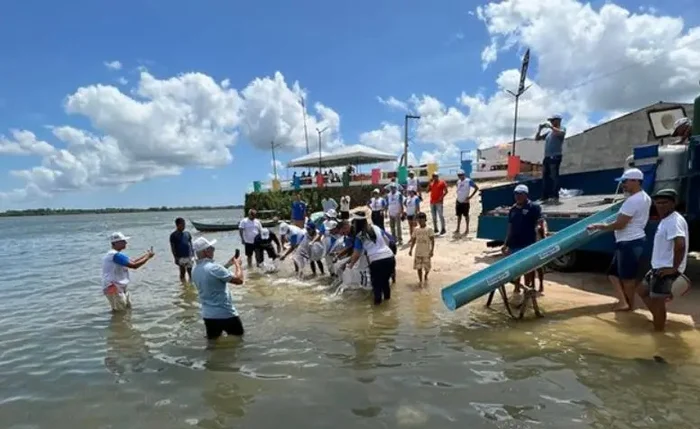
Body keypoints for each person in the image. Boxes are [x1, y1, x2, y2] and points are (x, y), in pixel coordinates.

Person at [587, 168, 651, 311]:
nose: (623, 184)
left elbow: (620, 224)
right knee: (613, 274)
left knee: (628, 278)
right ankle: (624, 302)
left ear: (635, 181)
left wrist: (599, 226)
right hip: (631, 240)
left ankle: (629, 306)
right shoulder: (644, 197)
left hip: (629, 242)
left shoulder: (633, 201)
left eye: (625, 181)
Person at [637, 189, 690, 331]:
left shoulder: (674, 220)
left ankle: (659, 332)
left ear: (673, 203)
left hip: (666, 270)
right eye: (658, 203)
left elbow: (680, 245)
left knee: (658, 301)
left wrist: (673, 268)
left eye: (665, 203)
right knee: (642, 291)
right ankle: (658, 318)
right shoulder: (666, 220)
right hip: (657, 267)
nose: (660, 206)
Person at [191, 237, 245, 341]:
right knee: (239, 340)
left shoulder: (195, 270)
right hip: (226, 314)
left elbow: (213, 274)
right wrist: (238, 265)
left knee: (212, 345)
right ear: (206, 251)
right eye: (212, 248)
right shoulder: (215, 268)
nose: (213, 250)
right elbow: (239, 280)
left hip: (208, 316)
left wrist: (229, 264)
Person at [501, 185, 545, 298]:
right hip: (514, 243)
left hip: (528, 243)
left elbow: (541, 222)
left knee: (528, 269)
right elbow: (510, 228)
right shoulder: (513, 209)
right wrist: (505, 244)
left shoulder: (534, 207)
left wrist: (542, 234)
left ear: (526, 195)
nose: (518, 196)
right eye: (516, 194)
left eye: (520, 194)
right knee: (516, 268)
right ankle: (516, 288)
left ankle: (527, 288)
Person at [347, 211, 396, 305]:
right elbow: (387, 240)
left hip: (376, 261)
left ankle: (378, 315)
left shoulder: (359, 236)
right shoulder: (376, 227)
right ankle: (388, 309)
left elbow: (356, 254)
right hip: (390, 258)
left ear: (356, 223)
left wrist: (350, 265)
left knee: (377, 288)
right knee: (385, 284)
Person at [102, 232, 155, 312]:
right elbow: (134, 266)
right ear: (116, 243)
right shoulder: (115, 255)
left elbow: (133, 261)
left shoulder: (117, 254)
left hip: (119, 286)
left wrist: (146, 255)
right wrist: (148, 257)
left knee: (126, 309)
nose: (126, 243)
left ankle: (122, 323)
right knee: (120, 311)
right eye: (123, 241)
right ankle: (119, 323)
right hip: (113, 287)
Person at [535, 114, 567, 204]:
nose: (551, 122)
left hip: (555, 156)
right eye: (550, 121)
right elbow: (537, 138)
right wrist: (540, 130)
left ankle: (555, 196)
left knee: (554, 176)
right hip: (547, 157)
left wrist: (550, 127)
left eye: (553, 120)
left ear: (558, 120)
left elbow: (561, 133)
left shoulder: (562, 129)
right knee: (545, 177)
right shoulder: (549, 133)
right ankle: (545, 196)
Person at [408, 212, 435, 286]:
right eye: (418, 220)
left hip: (426, 252)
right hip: (418, 252)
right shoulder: (416, 229)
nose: (420, 221)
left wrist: (432, 250)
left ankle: (426, 275)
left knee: (427, 267)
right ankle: (420, 280)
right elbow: (413, 240)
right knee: (418, 267)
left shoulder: (429, 229)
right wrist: (410, 250)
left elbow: (432, 240)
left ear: (425, 219)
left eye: (421, 220)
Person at [455, 169, 479, 236]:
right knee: (458, 216)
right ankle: (458, 228)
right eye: (458, 175)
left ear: (464, 174)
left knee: (466, 215)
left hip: (465, 202)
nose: (460, 176)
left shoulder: (468, 181)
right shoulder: (458, 182)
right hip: (458, 201)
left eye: (461, 175)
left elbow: (476, 188)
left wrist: (470, 197)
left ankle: (467, 229)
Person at [169, 217, 194, 282]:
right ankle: (183, 286)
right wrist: (175, 258)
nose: (184, 226)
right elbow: (173, 247)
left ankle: (189, 286)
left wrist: (193, 254)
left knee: (190, 272)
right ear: (177, 225)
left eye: (184, 224)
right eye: (182, 224)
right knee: (182, 272)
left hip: (189, 256)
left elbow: (191, 244)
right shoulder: (173, 235)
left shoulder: (187, 233)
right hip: (180, 257)